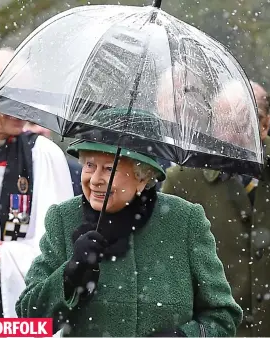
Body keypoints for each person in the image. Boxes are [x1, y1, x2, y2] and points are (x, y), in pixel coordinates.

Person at [16, 108, 242, 337]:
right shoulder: (64, 219)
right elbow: (29, 317)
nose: (94, 180)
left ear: (142, 176)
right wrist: (70, 274)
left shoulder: (185, 221)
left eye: (109, 169)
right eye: (89, 166)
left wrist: (183, 336)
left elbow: (223, 317)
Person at [162, 81, 270, 337]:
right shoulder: (183, 181)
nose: (228, 135)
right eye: (222, 122)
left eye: (240, 124)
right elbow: (164, 268)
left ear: (264, 126)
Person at [0, 48, 74, 318]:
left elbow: (56, 247)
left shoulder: (44, 155)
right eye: (11, 95)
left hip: (17, 316)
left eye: (27, 97)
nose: (21, 107)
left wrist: (3, 256)